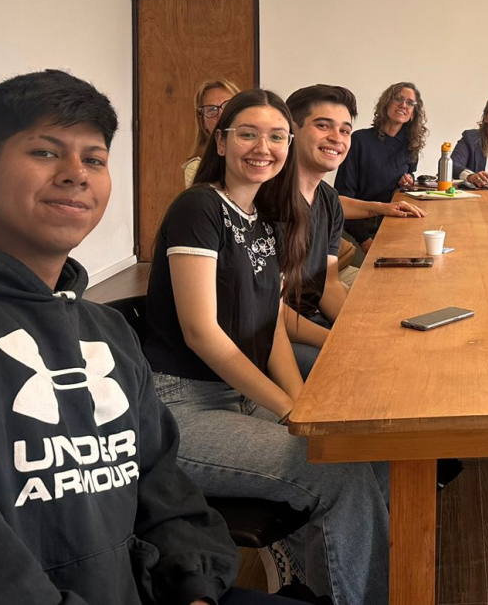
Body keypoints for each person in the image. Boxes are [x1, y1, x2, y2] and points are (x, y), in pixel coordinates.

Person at [0, 69, 302, 604]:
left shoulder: (104, 329)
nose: (76, 174)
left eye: (94, 159)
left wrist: (194, 587)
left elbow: (161, 487)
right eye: (45, 153)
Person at [142, 89, 389, 605]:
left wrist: (301, 406)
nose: (264, 147)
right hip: (181, 409)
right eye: (248, 134)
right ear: (222, 140)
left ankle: (322, 582)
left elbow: (273, 326)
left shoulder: (263, 220)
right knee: (336, 471)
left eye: (276, 136)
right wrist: (287, 408)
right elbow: (201, 333)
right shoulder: (199, 207)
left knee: (356, 444)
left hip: (237, 398)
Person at [282, 84, 425, 377]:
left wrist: (361, 329)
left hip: (312, 319)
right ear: (291, 129)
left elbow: (328, 285)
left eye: (344, 130)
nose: (336, 138)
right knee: (371, 370)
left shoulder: (327, 201)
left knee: (399, 343)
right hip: (276, 338)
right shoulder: (270, 202)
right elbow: (268, 316)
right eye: (323, 126)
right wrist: (346, 340)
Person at [335, 82, 429, 253]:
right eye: (398, 99)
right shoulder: (359, 140)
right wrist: (364, 239)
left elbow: (408, 175)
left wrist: (407, 181)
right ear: (386, 103)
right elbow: (343, 197)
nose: (403, 105)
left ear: (413, 113)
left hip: (392, 223)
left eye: (410, 103)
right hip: (360, 227)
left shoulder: (410, 145)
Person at [182, 78, 240, 188]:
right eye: (212, 109)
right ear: (202, 122)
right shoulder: (196, 167)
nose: (221, 115)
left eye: (228, 106)